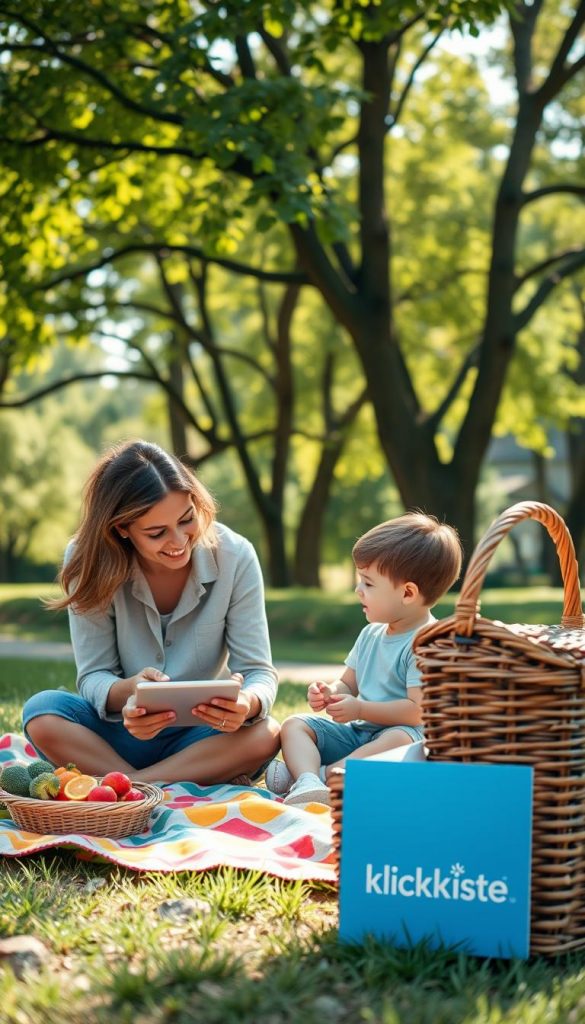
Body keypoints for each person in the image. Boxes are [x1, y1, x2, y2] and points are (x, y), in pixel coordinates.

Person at [22, 440, 280, 785]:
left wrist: (247, 703)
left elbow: (258, 672)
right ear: (122, 530)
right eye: (157, 533)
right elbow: (94, 675)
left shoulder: (235, 555)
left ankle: (133, 786)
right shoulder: (87, 561)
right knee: (41, 711)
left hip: (201, 738)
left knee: (267, 732)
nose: (178, 541)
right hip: (118, 734)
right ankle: (159, 781)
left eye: (186, 520)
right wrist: (130, 692)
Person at [265, 512, 463, 805]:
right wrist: (331, 692)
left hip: (401, 741)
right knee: (295, 724)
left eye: (368, 584)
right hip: (358, 734)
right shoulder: (371, 634)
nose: (358, 590)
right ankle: (307, 780)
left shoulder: (428, 642)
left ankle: (324, 777)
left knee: (399, 739)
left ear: (408, 593)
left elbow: (417, 712)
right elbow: (349, 683)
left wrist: (360, 708)